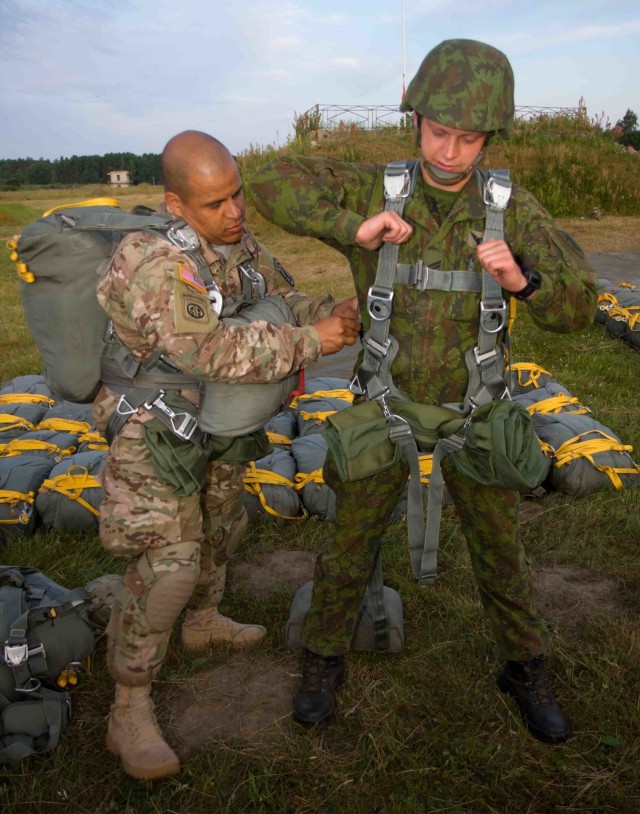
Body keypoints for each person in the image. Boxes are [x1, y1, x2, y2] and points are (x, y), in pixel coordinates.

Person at [250, 40, 598, 744]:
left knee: (502, 550)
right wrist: (356, 228)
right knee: (349, 542)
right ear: (415, 121)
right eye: (438, 132)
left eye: (468, 138)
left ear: (489, 138)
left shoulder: (509, 209)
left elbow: (578, 306)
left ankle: (524, 666)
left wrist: (520, 282)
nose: (450, 150)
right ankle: (323, 658)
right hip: (386, 404)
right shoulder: (381, 193)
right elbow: (267, 181)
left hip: (476, 413)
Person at [92, 130, 361, 780]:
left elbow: (281, 296)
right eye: (216, 203)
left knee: (221, 520)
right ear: (177, 204)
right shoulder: (153, 258)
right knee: (170, 565)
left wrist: (336, 311)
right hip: (149, 421)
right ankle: (128, 707)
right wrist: (310, 342)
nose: (236, 212)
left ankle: (204, 622)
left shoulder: (238, 243)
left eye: (238, 193)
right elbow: (204, 350)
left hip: (209, 411)